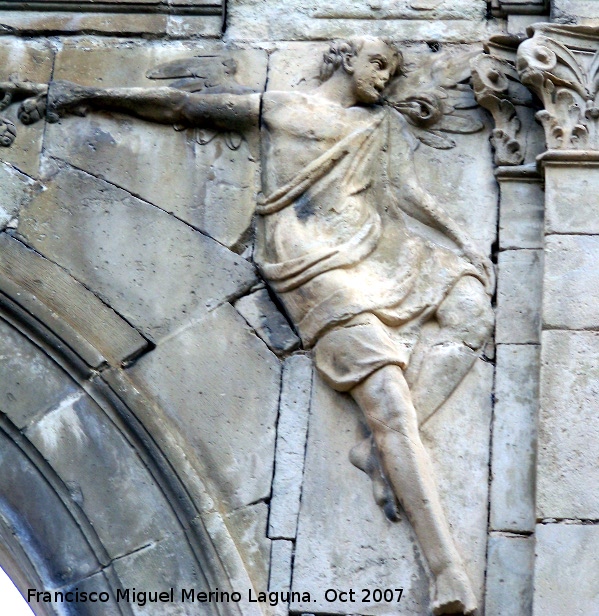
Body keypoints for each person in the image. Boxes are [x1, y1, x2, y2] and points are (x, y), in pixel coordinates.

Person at [3, 37, 493, 614]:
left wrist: (465, 245)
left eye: (392, 70)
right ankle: (444, 565)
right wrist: (80, 95)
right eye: (378, 63)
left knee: (472, 309)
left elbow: (406, 192)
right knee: (387, 397)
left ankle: (380, 451)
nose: (384, 78)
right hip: (313, 261)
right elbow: (183, 107)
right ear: (342, 58)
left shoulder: (376, 128)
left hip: (380, 245)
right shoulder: (280, 108)